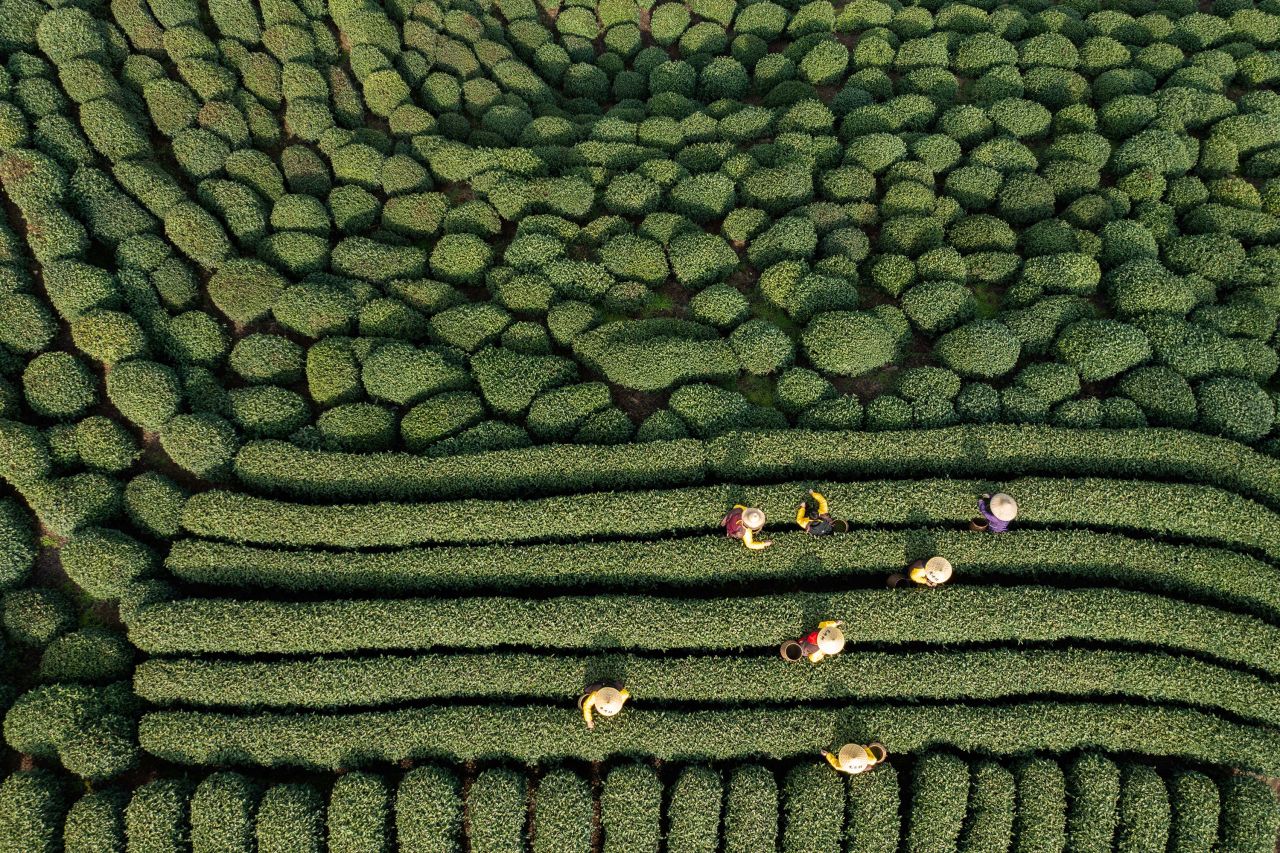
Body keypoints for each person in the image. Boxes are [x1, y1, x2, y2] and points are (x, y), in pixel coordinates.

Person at [822, 742, 889, 775]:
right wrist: (865, 747)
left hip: (859, 768)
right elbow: (864, 746)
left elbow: (836, 764)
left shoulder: (843, 766)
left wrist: (827, 754)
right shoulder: (872, 759)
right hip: (859, 768)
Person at [887, 556, 953, 588]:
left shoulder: (931, 562)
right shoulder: (916, 574)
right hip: (910, 571)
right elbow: (914, 578)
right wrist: (926, 582)